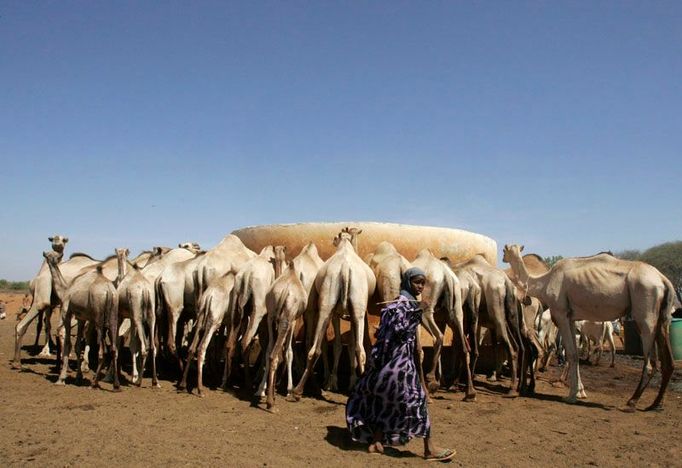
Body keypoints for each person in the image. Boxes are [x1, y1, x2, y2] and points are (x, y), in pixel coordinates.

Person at [345, 267, 456, 462]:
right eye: (416, 282)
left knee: (383, 402)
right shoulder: (403, 305)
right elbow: (400, 332)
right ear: (407, 282)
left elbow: (383, 337)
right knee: (419, 401)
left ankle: (376, 442)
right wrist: (418, 313)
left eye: (423, 282)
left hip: (387, 366)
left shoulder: (399, 304)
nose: (420, 286)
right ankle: (429, 449)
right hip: (399, 366)